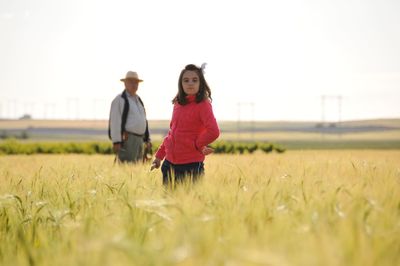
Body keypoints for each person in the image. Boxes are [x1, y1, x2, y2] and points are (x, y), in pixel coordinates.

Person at [151, 64, 220, 186]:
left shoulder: (203, 104)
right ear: (181, 84)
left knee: (192, 204)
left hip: (191, 166)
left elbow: (213, 131)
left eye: (195, 80)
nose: (190, 83)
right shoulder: (178, 103)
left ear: (201, 83)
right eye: (186, 80)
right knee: (169, 204)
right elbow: (172, 133)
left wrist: (197, 144)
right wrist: (159, 156)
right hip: (169, 165)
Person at [109, 71, 151, 163]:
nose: (134, 84)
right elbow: (115, 122)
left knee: (137, 169)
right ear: (125, 83)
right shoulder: (119, 99)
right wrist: (116, 141)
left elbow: (144, 120)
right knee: (127, 168)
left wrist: (147, 139)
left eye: (136, 82)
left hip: (140, 140)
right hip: (127, 140)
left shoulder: (138, 100)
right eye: (131, 82)